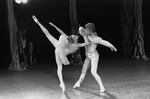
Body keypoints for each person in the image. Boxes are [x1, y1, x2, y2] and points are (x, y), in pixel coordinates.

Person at [32, 15, 89, 92]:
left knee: (59, 66)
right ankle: (38, 22)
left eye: (74, 36)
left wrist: (54, 26)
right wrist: (85, 34)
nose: (75, 36)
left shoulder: (73, 42)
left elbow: (86, 42)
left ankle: (62, 83)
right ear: (73, 40)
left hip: (58, 49)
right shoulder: (75, 44)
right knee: (51, 36)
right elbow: (86, 43)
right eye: (74, 36)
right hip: (60, 50)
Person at [73, 23, 117, 94]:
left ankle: (102, 87)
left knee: (93, 72)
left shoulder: (96, 39)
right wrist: (80, 29)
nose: (85, 30)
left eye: (87, 29)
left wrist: (112, 46)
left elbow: (104, 42)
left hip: (94, 56)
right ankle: (78, 83)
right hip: (87, 56)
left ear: (90, 30)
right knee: (83, 71)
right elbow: (81, 30)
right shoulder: (86, 34)